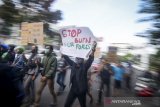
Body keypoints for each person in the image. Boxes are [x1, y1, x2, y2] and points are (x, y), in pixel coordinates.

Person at [63, 42, 97, 107]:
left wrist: (93, 49)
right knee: (67, 105)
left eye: (79, 58)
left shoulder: (85, 66)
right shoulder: (73, 64)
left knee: (83, 105)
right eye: (77, 58)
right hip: (73, 90)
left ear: (82, 59)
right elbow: (66, 57)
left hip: (81, 91)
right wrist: (63, 48)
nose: (78, 59)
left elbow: (90, 59)